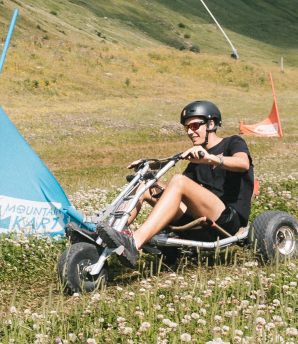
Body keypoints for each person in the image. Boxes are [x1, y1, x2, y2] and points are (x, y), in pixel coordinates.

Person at [100, 100, 253, 264]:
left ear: (211, 124)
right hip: (199, 219)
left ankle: (135, 242)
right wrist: (150, 173)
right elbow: (178, 194)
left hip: (227, 220)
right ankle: (106, 236)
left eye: (194, 126)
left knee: (179, 181)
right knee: (146, 185)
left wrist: (210, 158)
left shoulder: (232, 142)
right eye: (187, 128)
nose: (190, 132)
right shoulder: (196, 160)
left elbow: (243, 164)